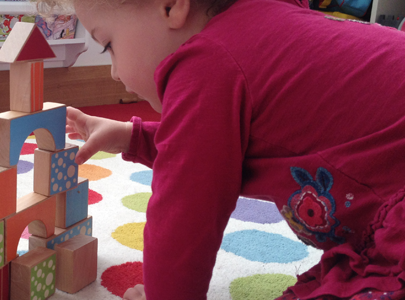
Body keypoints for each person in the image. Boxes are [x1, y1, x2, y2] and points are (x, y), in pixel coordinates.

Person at [36, 0, 405, 299]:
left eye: (108, 45)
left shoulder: (207, 61)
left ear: (171, 6)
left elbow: (184, 210)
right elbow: (212, 147)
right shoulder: (258, 24)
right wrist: (130, 137)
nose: (114, 72)